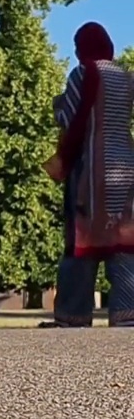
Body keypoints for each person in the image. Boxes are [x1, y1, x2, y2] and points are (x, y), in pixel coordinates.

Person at [46, 22, 134, 327]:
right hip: (125, 166)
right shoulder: (126, 76)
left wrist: (56, 104)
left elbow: (69, 116)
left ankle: (73, 314)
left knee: (81, 239)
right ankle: (126, 310)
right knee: (122, 240)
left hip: (92, 167)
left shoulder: (83, 72)